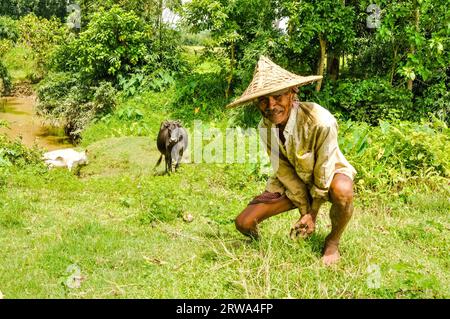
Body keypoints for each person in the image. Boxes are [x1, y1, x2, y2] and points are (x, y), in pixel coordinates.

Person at [227, 56, 357, 266]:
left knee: (343, 191)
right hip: (295, 180)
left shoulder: (320, 121)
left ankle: (332, 242)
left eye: (278, 96)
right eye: (263, 100)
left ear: (292, 93)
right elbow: (284, 171)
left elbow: (324, 169)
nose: (271, 105)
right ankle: (260, 247)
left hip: (327, 175)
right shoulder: (265, 128)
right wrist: (304, 210)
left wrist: (312, 214)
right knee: (244, 222)